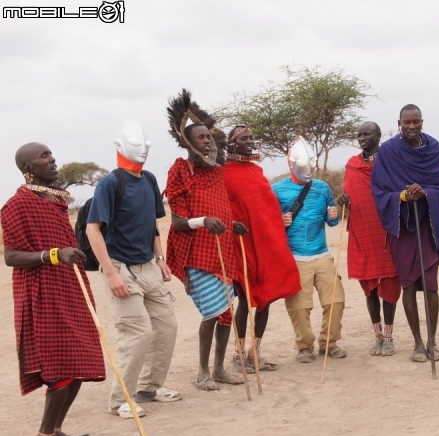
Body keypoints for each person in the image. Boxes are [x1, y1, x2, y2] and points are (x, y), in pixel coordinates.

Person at [2, 142, 106, 436]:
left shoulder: (55, 200)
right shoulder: (16, 205)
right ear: (28, 168)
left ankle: (56, 430)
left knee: (77, 359)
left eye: (51, 153)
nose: (52, 159)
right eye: (43, 156)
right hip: (41, 293)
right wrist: (54, 255)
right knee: (60, 364)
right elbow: (11, 256)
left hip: (69, 289)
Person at [86, 118, 181, 419]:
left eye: (145, 145)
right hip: (120, 266)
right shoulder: (111, 183)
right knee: (137, 332)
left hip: (147, 264)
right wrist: (111, 273)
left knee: (166, 325)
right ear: (121, 147)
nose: (142, 151)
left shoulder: (149, 180)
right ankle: (120, 399)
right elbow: (92, 229)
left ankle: (149, 387)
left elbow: (152, 223)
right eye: (136, 145)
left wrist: (161, 258)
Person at [164, 89, 246, 390]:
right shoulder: (180, 170)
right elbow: (177, 221)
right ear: (187, 141)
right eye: (200, 137)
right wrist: (204, 222)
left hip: (222, 247)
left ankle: (220, 368)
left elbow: (219, 209)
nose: (207, 140)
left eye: (209, 136)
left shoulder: (216, 172)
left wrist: (231, 223)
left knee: (226, 313)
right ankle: (202, 372)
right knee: (213, 311)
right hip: (197, 253)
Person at [371, 104, 439, 363]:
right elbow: (380, 190)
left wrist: (425, 192)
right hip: (404, 227)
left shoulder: (433, 147)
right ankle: (417, 343)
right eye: (407, 123)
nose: (412, 127)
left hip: (427, 224)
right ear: (399, 123)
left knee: (431, 286)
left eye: (416, 122)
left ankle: (432, 341)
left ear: (422, 122)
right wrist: (404, 195)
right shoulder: (389, 151)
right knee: (410, 285)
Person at [224, 125, 301, 373]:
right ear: (232, 144)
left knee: (266, 298)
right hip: (243, 244)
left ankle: (254, 354)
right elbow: (225, 209)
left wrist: (279, 221)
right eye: (243, 139)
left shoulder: (257, 171)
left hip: (266, 241)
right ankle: (238, 355)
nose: (250, 141)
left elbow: (264, 207)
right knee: (246, 299)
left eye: (250, 138)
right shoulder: (224, 173)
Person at [272, 136, 347, 363]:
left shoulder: (322, 187)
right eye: (303, 164)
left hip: (321, 253)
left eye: (310, 164)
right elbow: (269, 225)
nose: (308, 169)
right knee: (299, 306)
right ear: (291, 163)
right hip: (294, 256)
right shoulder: (277, 190)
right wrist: (279, 221)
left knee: (336, 299)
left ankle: (329, 343)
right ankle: (304, 346)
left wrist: (333, 216)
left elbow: (331, 219)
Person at [336, 121, 401, 356]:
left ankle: (390, 336)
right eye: (359, 135)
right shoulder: (352, 166)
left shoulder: (390, 160)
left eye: (367, 134)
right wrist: (342, 200)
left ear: (378, 136)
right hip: (362, 231)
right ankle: (378, 336)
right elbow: (348, 196)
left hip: (386, 231)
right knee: (370, 286)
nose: (362, 138)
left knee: (390, 283)